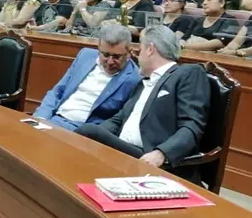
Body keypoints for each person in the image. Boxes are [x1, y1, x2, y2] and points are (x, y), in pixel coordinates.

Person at [75, 25, 211, 184]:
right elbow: (119, 119)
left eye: (140, 49)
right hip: (124, 151)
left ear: (150, 49)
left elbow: (192, 126)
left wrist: (161, 154)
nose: (136, 55)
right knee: (88, 135)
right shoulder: (142, 83)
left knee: (88, 131)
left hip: (150, 157)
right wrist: (95, 136)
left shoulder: (187, 73)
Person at [33, 24, 140, 130]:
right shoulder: (85, 55)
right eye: (105, 55)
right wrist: (41, 118)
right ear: (99, 48)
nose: (110, 62)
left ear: (129, 53)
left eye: (116, 57)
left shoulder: (135, 79)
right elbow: (58, 91)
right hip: (54, 119)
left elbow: (119, 122)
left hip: (83, 131)